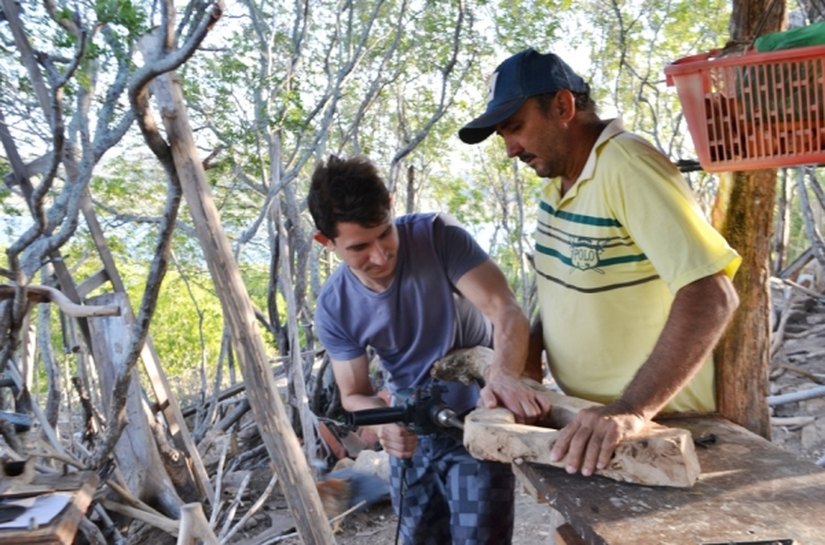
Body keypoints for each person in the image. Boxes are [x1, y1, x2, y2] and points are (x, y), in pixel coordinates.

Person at [459, 48, 741, 478]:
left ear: (563, 106)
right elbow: (563, 297)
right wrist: (523, 370)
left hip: (659, 430)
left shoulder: (627, 165)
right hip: (589, 425)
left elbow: (712, 294)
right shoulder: (556, 187)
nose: (511, 149)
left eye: (516, 127)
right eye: (503, 135)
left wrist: (630, 410)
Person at [308, 155, 547, 545]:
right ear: (326, 242)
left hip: (478, 419)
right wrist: (384, 422)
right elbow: (354, 395)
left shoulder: (437, 237)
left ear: (389, 202)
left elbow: (505, 310)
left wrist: (503, 376)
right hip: (410, 425)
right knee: (418, 537)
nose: (381, 256)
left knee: (481, 537)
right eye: (360, 247)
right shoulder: (335, 306)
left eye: (385, 233)